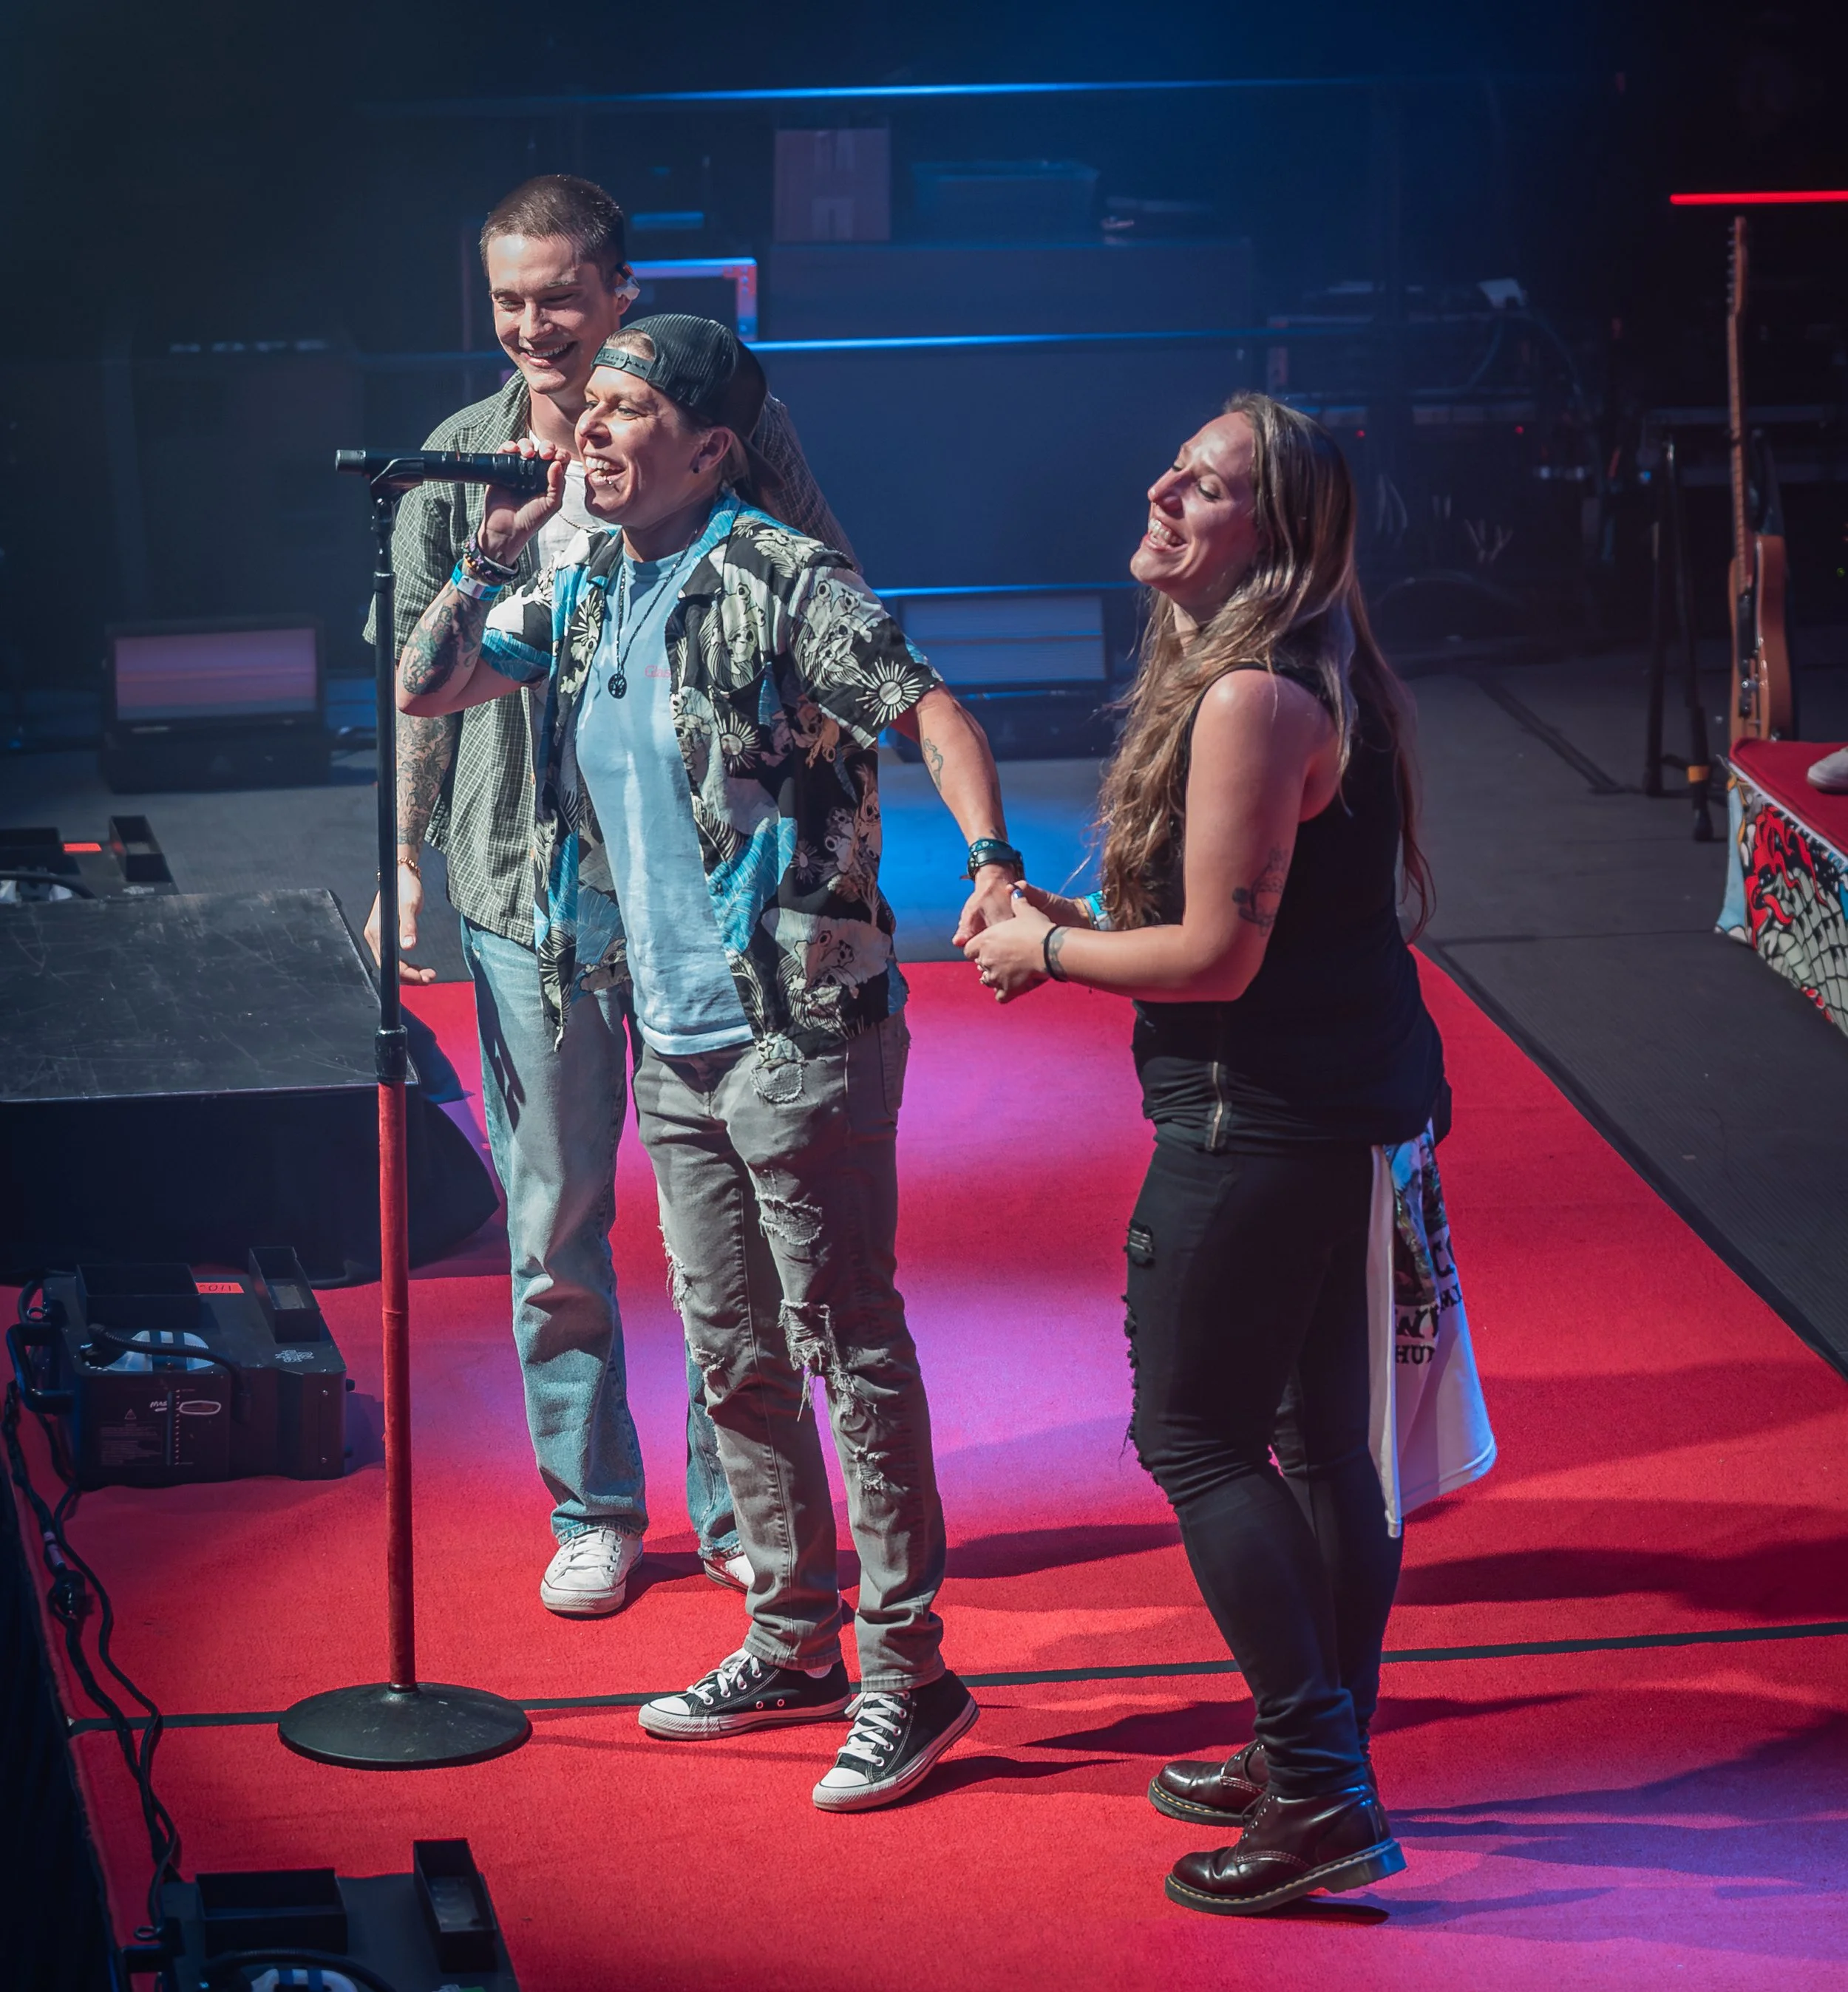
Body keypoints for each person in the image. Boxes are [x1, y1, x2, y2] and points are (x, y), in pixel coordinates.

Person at [394, 313, 1020, 1812]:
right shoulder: (587, 581)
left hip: (797, 1026)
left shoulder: (779, 575)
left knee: (846, 1347)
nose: (593, 429)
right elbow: (430, 686)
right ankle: (792, 1634)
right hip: (667, 1032)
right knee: (731, 1350)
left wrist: (991, 862)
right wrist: (489, 553)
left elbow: (927, 705)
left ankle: (910, 1670)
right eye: (592, 408)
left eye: (625, 410)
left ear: (711, 446)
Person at [968, 392, 1444, 1913]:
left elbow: (1216, 962)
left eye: (1209, 484)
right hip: (1336, 1103)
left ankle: (1316, 1788)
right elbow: (1251, 923)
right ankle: (1321, 1755)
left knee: (1196, 1438)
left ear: (1273, 536)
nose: (1164, 488)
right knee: (1321, 1446)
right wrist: (1085, 924)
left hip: (1263, 1119)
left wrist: (1046, 949)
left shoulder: (1250, 695)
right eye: (1174, 464)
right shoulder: (1302, 664)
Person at [362, 175, 854, 1618]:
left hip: (699, 888)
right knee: (555, 1214)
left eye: (560, 297)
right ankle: (591, 1506)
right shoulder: (456, 458)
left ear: (619, 290)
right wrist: (405, 854)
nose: (533, 325)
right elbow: (417, 673)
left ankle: (737, 1501)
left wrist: (815, 834)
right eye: (508, 300)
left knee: (725, 1215)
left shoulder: (725, 422)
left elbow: (830, 590)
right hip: (526, 888)